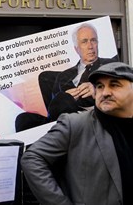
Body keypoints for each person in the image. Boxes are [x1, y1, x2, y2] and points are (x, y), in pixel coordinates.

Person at [21, 62, 133, 205]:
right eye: (100, 86)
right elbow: (32, 158)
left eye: (114, 85)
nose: (105, 92)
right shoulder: (75, 124)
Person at [45, 23, 118, 120]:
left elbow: (123, 92)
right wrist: (66, 98)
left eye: (93, 40)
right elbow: (53, 109)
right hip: (67, 117)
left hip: (97, 115)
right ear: (76, 49)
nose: (90, 46)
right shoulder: (63, 76)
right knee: (24, 118)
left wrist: (97, 89)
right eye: (84, 42)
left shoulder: (112, 64)